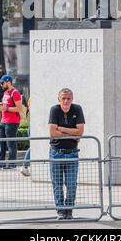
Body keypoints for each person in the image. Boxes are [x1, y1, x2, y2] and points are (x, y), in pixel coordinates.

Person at [48, 88, 85, 220]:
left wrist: (61, 129)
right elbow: (52, 132)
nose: (66, 101)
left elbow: (80, 132)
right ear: (59, 99)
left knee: (71, 184)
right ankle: (60, 210)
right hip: (56, 153)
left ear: (72, 99)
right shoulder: (54, 110)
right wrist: (72, 133)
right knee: (57, 184)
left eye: (68, 98)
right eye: (63, 98)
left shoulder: (77, 109)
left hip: (72, 154)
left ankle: (69, 210)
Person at [0, 75, 24, 168]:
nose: (1, 85)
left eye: (2, 83)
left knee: (10, 143)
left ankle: (12, 164)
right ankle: (0, 163)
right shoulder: (5, 93)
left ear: (8, 82)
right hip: (4, 121)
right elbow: (4, 109)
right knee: (0, 142)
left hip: (12, 122)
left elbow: (19, 109)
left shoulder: (15, 93)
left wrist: (6, 108)